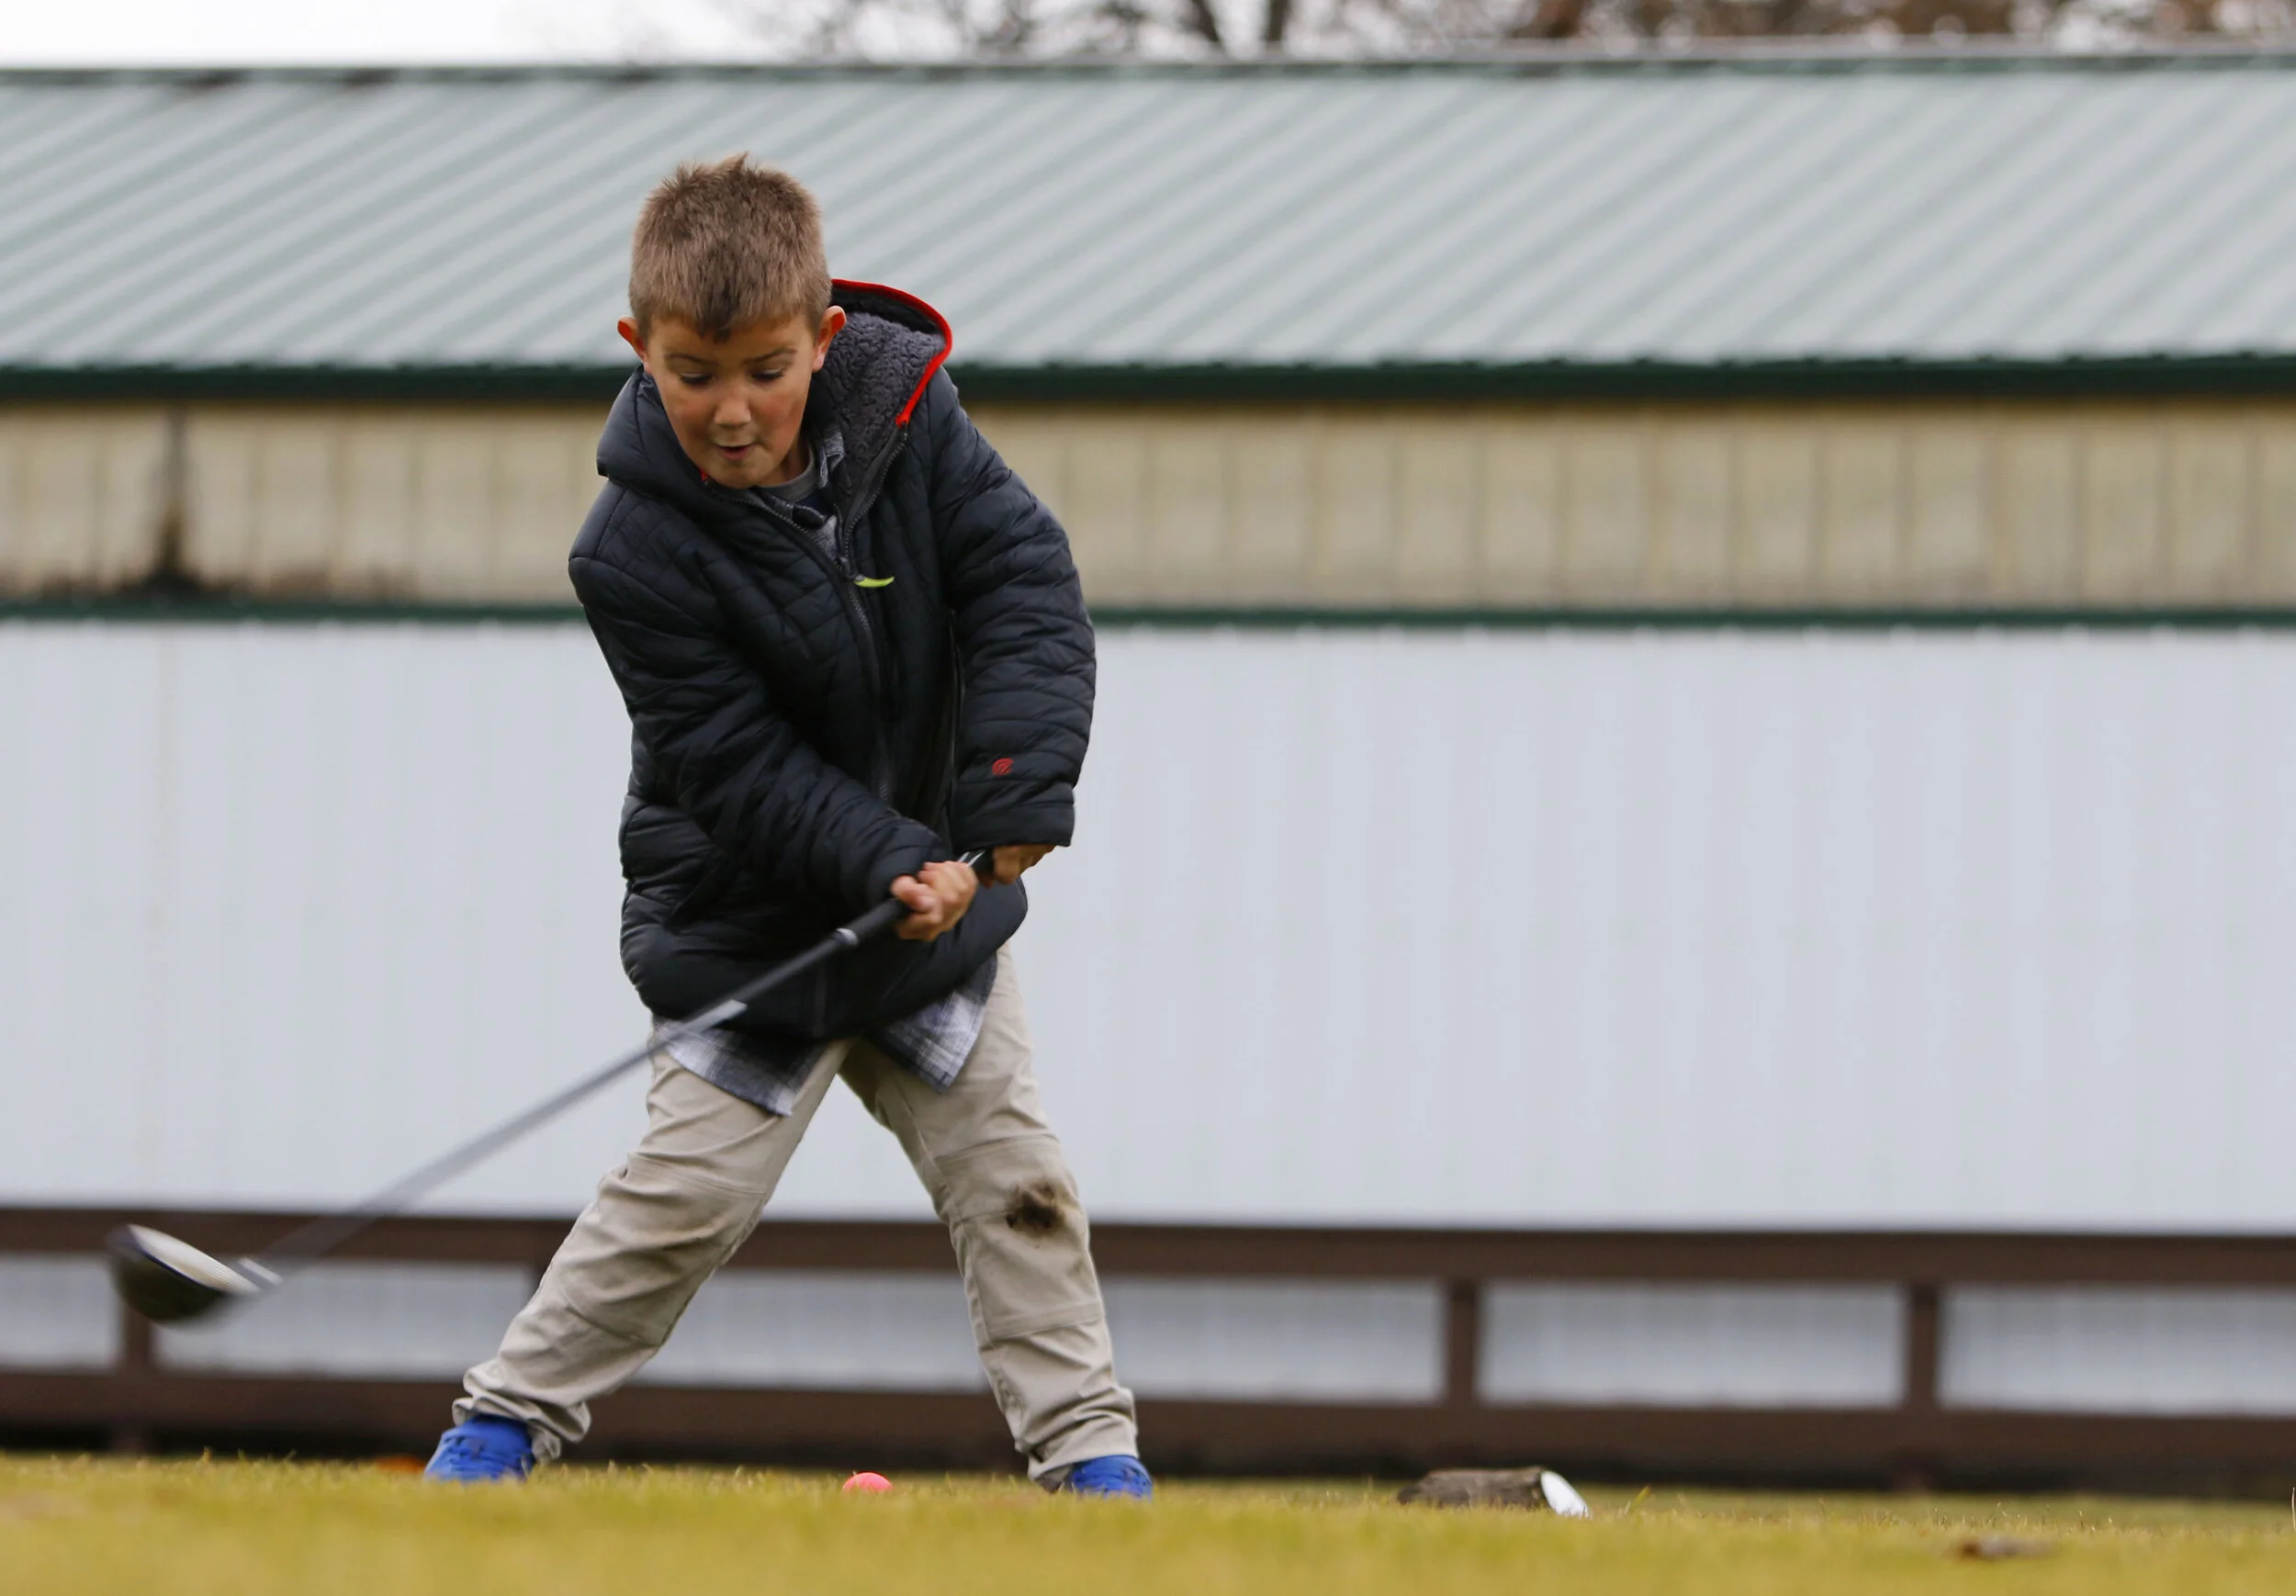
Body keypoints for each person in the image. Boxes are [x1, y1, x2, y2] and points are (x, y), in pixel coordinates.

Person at [422, 155, 1145, 1497]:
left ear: (823, 338)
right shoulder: (628, 549)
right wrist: (890, 858)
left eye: (765, 367)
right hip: (750, 928)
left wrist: (1005, 819)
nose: (734, 410)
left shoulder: (917, 425)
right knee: (681, 1206)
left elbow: (1025, 590)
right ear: (640, 348)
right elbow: (730, 764)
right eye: (695, 373)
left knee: (1021, 1187)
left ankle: (1096, 1466)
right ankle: (497, 1432)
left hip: (937, 919)